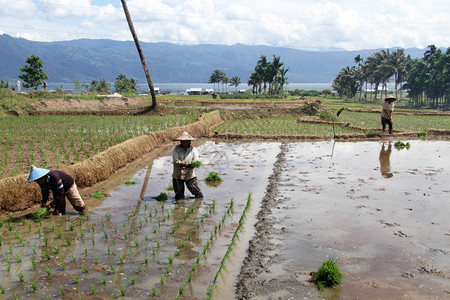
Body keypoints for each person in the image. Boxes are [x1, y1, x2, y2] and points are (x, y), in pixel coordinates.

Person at [172, 131, 203, 200]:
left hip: (190, 175)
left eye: (184, 141)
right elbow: (175, 160)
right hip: (178, 174)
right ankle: (179, 208)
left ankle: (196, 206)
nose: (182, 142)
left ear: (188, 141)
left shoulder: (193, 150)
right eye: (181, 141)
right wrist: (183, 164)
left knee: (198, 194)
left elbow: (196, 160)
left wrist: (191, 164)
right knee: (179, 196)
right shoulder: (177, 149)